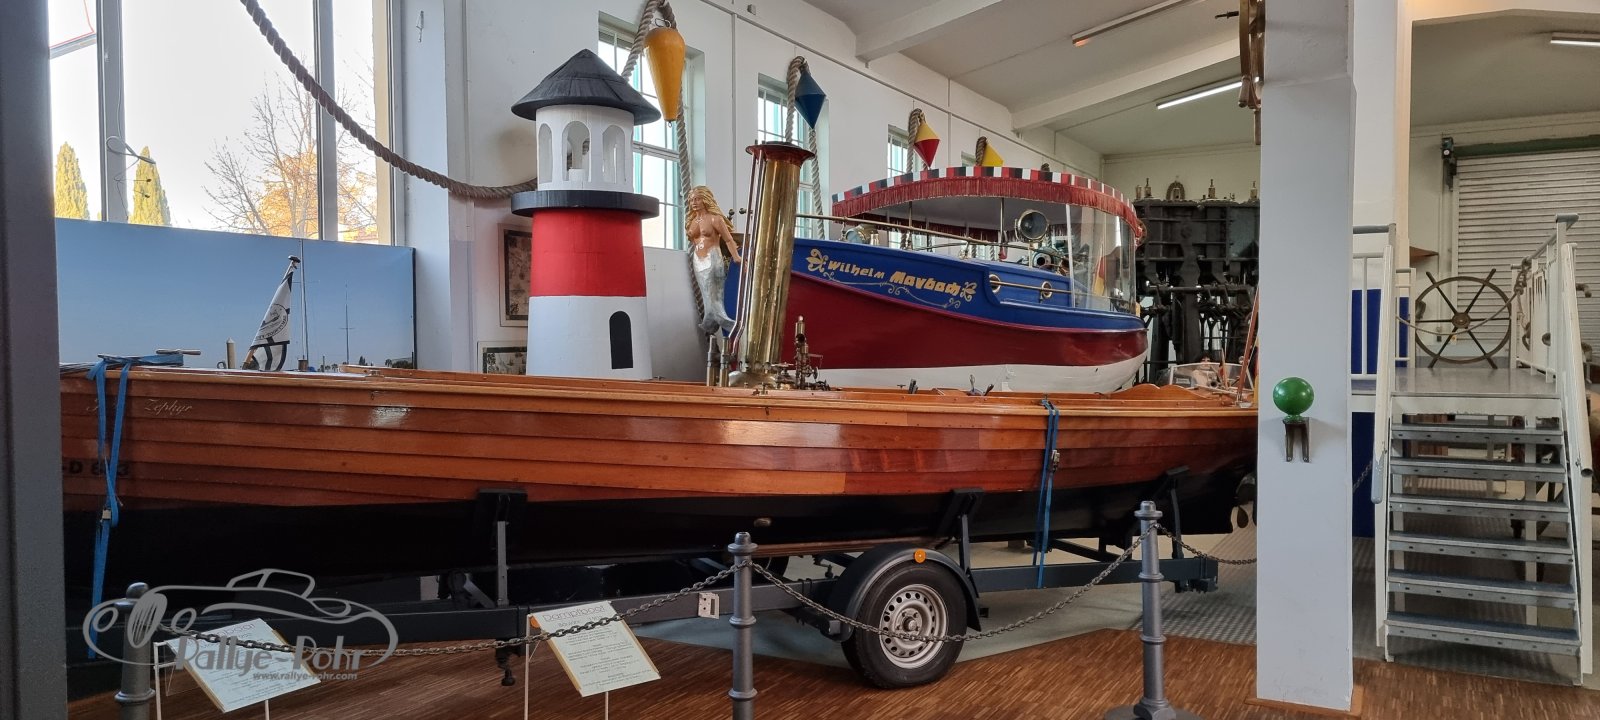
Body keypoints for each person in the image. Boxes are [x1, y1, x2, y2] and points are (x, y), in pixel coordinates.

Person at [685, 186, 741, 336]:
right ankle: (711, 319)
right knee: (705, 292)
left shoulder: (715, 219)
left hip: (713, 257)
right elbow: (694, 241)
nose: (694, 202)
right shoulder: (691, 221)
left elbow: (728, 239)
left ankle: (722, 319)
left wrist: (736, 257)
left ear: (705, 200)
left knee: (714, 292)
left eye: (697, 199)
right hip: (698, 260)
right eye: (691, 200)